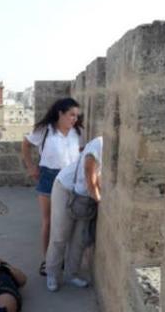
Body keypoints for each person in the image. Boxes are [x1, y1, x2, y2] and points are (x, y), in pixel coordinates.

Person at [21, 98, 83, 277]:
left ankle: (63, 259)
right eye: (71, 115)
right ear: (60, 113)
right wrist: (31, 166)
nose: (74, 119)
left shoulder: (77, 132)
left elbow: (79, 151)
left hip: (71, 178)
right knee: (49, 221)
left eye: (76, 116)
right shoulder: (44, 130)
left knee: (69, 220)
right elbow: (25, 144)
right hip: (49, 176)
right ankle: (47, 260)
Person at [46, 136, 103, 291]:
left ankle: (72, 274)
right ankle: (52, 274)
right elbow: (88, 170)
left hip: (85, 196)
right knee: (60, 235)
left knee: (79, 238)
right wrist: (99, 199)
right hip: (66, 188)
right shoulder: (100, 143)